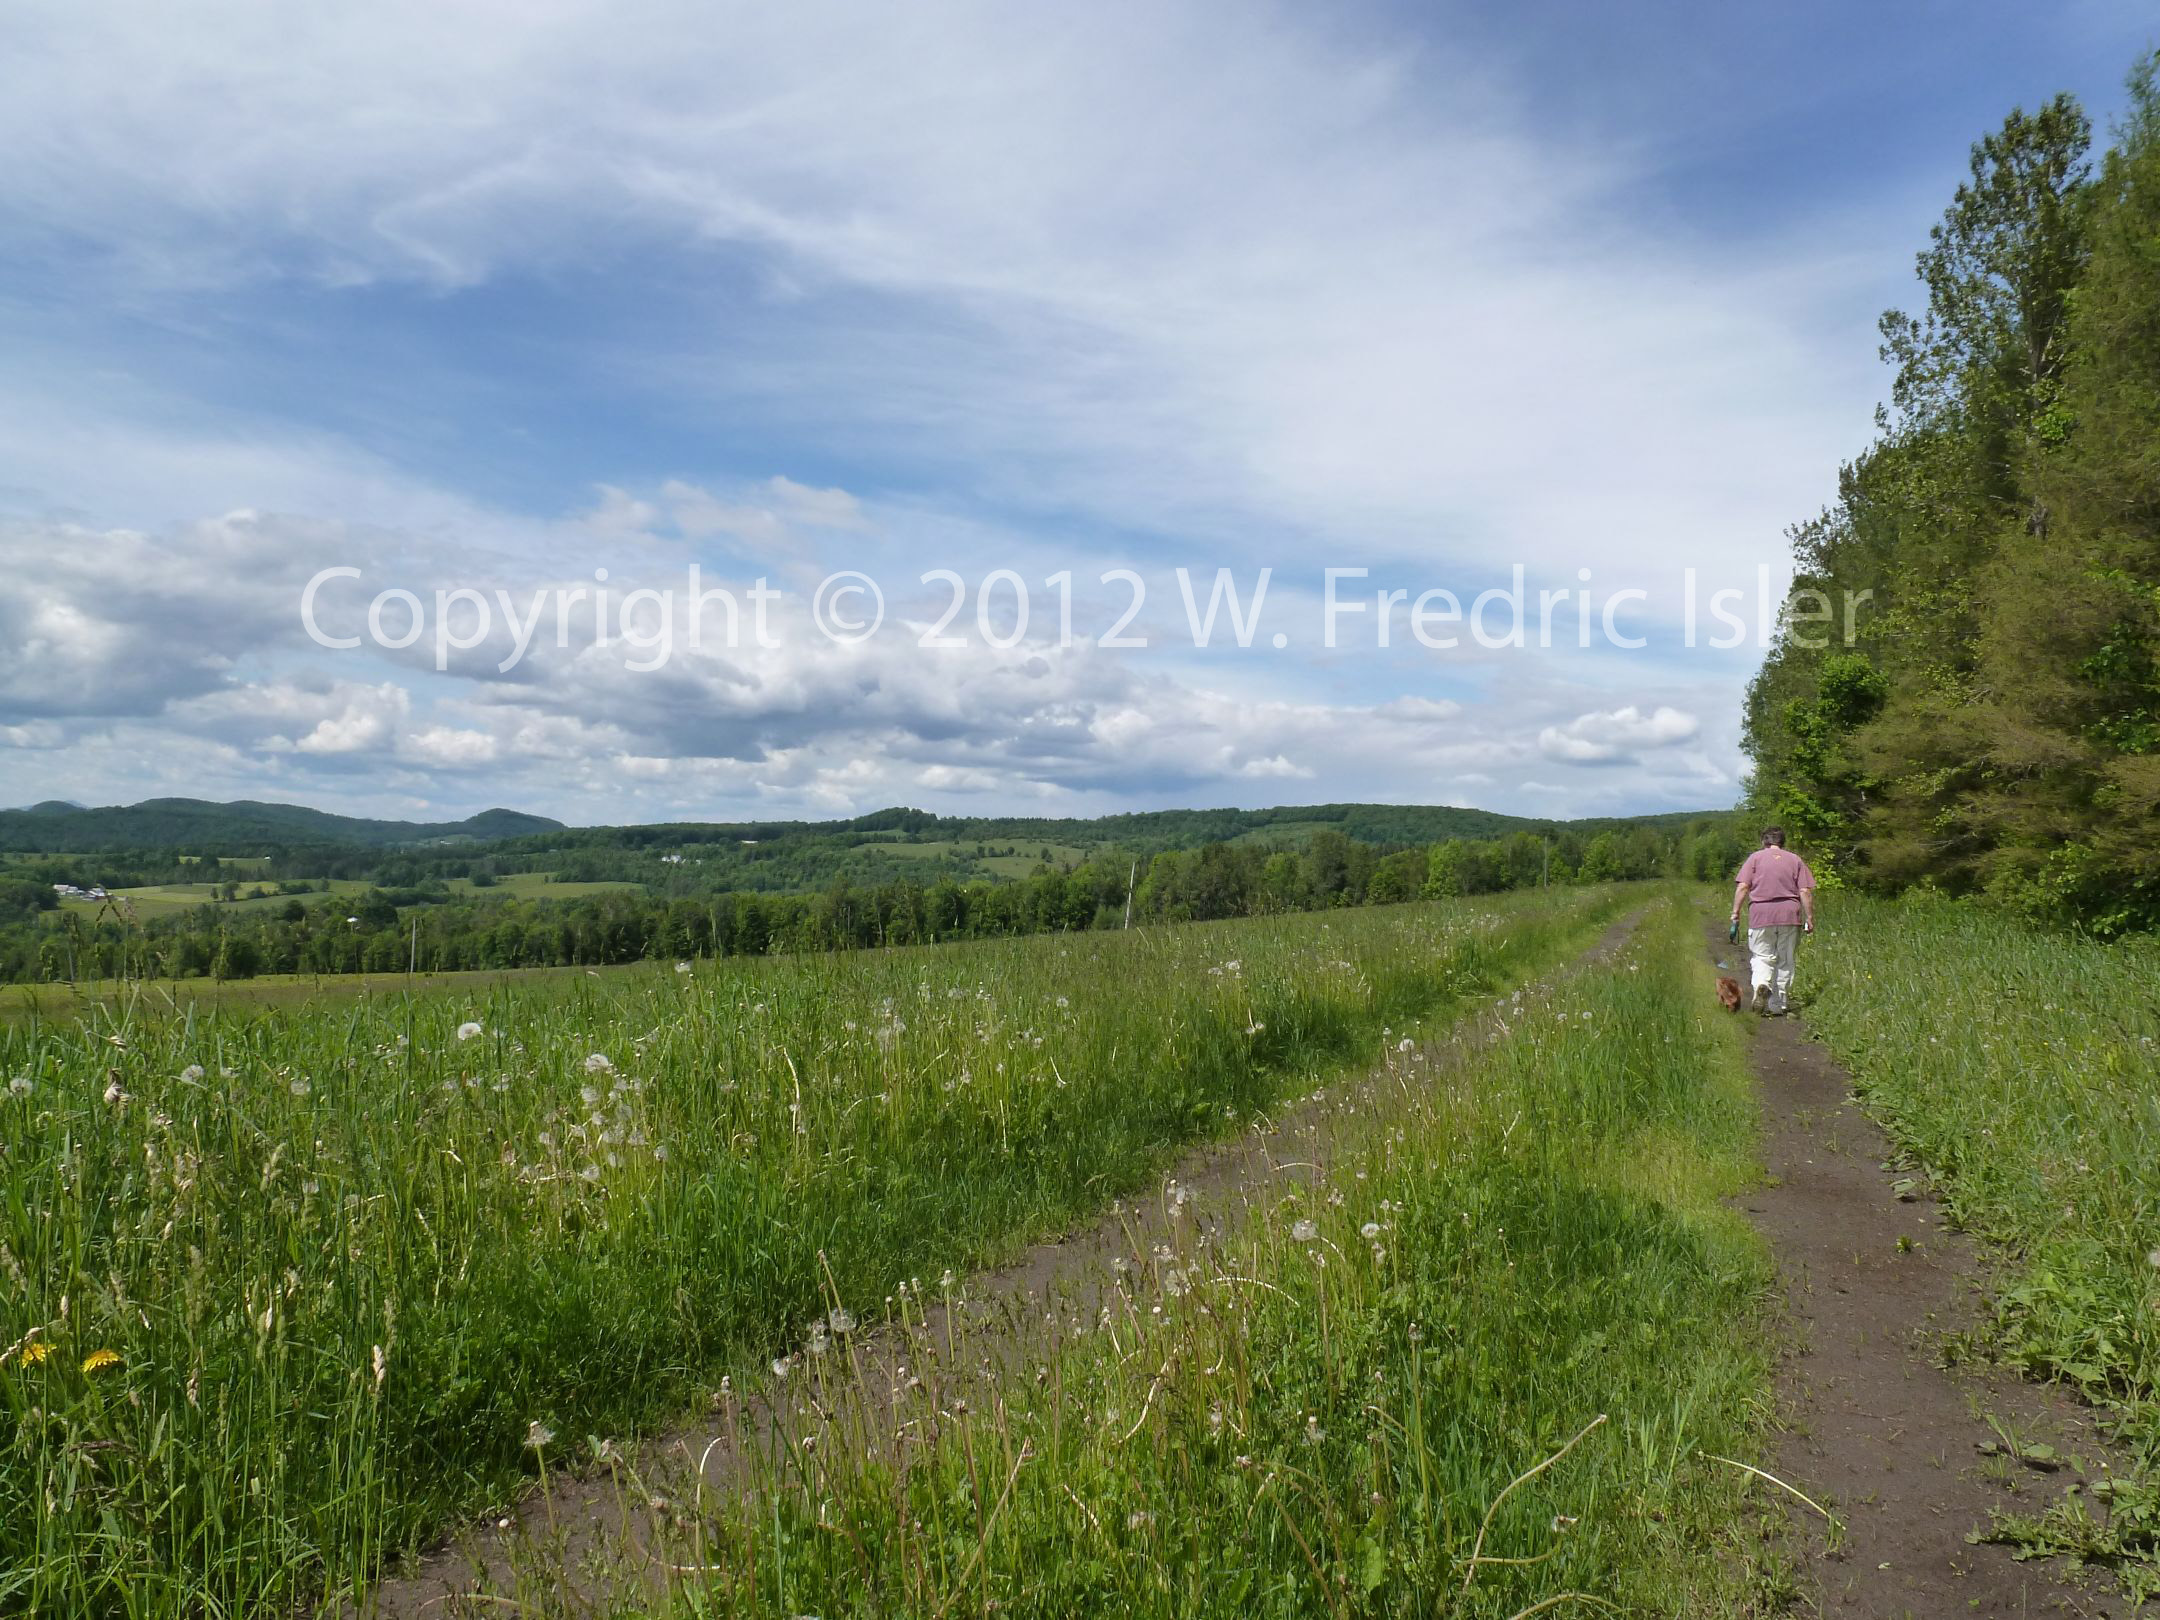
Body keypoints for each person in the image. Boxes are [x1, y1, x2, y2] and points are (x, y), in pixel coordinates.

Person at [1731, 827, 1814, 1016]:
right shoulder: (1795, 860)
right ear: (1783, 842)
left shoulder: (1755, 858)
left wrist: (1735, 913)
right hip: (1789, 915)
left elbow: (1743, 887)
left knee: (1762, 956)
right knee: (1784, 960)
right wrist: (1809, 917)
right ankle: (1777, 1004)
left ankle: (1762, 984)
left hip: (1761, 914)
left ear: (1763, 842)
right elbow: (1805, 891)